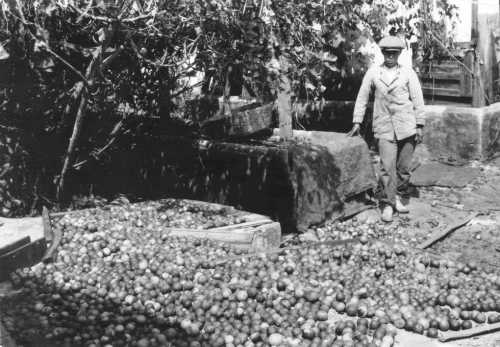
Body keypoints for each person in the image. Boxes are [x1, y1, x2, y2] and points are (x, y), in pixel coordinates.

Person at [348, 36, 425, 223]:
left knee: (403, 168)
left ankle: (397, 196)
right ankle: (388, 204)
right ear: (382, 53)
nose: (390, 56)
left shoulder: (408, 73)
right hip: (383, 125)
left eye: (394, 53)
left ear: (399, 54)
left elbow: (417, 99)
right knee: (386, 167)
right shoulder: (373, 73)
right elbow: (362, 97)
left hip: (407, 126)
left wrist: (420, 124)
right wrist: (357, 121)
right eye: (387, 53)